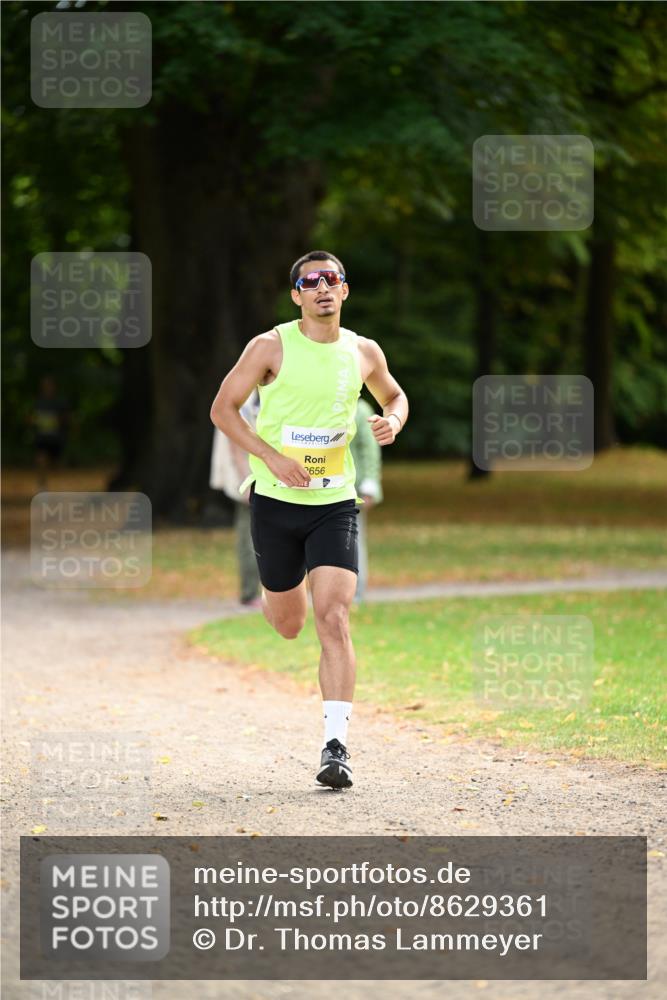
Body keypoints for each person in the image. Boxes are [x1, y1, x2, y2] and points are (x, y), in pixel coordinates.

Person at [210, 251, 408, 790]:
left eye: (332, 280)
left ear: (345, 291)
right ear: (296, 294)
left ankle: (336, 746)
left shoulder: (363, 351)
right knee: (289, 623)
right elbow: (223, 409)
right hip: (274, 504)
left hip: (335, 504)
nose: (322, 288)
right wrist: (270, 457)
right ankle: (279, 596)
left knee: (334, 616)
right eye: (309, 281)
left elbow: (395, 394)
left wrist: (392, 419)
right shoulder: (270, 347)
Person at [209, 388, 262, 608]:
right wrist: (247, 481)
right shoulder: (244, 401)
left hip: (255, 477)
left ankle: (256, 592)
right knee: (248, 536)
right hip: (247, 479)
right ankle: (250, 592)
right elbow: (236, 447)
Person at [350, 396, 384, 603]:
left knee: (353, 540)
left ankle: (356, 592)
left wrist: (370, 487)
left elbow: (370, 450)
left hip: (355, 489)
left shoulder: (360, 410)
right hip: (333, 487)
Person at [31, 375, 69, 491]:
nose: (47, 387)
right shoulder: (39, 402)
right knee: (41, 459)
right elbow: (33, 417)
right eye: (45, 385)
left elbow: (66, 418)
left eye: (49, 385)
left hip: (56, 438)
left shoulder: (60, 402)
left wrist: (57, 421)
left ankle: (60, 487)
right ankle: (42, 484)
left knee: (56, 465)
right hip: (42, 438)